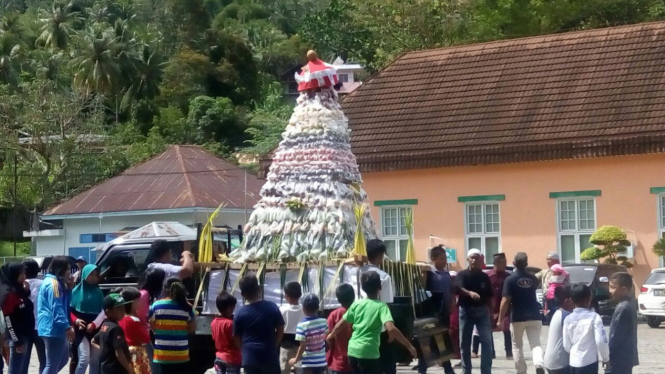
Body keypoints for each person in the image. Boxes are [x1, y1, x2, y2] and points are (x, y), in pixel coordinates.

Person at [328, 272, 417, 374]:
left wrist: (331, 335)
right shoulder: (381, 307)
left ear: (362, 288)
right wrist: (409, 346)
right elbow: (391, 328)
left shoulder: (357, 304)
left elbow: (340, 324)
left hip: (352, 352)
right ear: (380, 288)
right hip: (368, 352)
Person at [497, 252, 545, 374]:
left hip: (518, 316)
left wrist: (500, 318)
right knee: (535, 343)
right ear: (527, 264)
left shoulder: (510, 279)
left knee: (517, 345)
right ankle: (538, 364)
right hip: (534, 314)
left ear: (514, 264)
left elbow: (505, 300)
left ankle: (521, 370)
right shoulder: (533, 278)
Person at [233, 275, 285, 374]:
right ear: (259, 289)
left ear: (242, 294)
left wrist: (244, 350)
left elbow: (236, 337)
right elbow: (280, 328)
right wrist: (275, 345)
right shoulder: (272, 307)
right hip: (269, 356)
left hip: (250, 358)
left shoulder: (239, 313)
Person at [360, 239, 395, 374]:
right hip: (378, 329)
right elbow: (386, 304)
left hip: (359, 326)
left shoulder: (355, 272)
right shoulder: (384, 277)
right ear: (380, 255)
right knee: (386, 365)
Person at [456, 249, 493, 374]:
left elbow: (489, 296)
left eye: (477, 258)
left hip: (482, 312)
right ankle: (466, 370)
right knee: (464, 343)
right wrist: (469, 293)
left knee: (487, 342)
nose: (474, 260)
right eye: (472, 257)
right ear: (467, 259)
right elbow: (459, 288)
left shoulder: (484, 277)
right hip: (466, 311)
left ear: (481, 260)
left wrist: (492, 313)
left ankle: (486, 371)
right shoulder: (462, 275)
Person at [149, 279, 196, 374]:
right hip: (181, 353)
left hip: (162, 354)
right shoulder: (187, 307)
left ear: (165, 289)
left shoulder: (156, 305)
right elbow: (192, 329)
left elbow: (152, 326)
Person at [38, 256, 76, 374]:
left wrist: (69, 290)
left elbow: (64, 303)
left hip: (54, 327)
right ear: (60, 269)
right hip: (53, 328)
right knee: (52, 365)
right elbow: (56, 307)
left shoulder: (56, 283)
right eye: (68, 269)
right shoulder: (54, 284)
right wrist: (67, 326)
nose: (70, 273)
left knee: (63, 359)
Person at [421, 246, 455, 374]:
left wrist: (452, 302)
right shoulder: (429, 274)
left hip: (444, 312)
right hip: (432, 312)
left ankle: (447, 367)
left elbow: (450, 291)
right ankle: (423, 368)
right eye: (441, 258)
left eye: (445, 258)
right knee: (428, 342)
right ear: (433, 259)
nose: (445, 260)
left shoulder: (446, 274)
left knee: (443, 340)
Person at [563, 283, 609, 374]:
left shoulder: (568, 319)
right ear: (590, 298)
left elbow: (566, 345)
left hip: (574, 362)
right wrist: (606, 358)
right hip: (589, 362)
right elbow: (600, 341)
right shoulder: (594, 317)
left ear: (571, 300)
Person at [70, 264, 105, 374]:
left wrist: (94, 324)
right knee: (84, 359)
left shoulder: (99, 293)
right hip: (80, 328)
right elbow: (69, 310)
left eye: (96, 275)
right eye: (91, 274)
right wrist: (76, 320)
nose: (94, 277)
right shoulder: (75, 292)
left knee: (95, 360)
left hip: (95, 328)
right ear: (84, 275)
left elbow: (103, 311)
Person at [2, 262, 35, 374]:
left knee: (22, 370)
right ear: (14, 275)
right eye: (22, 274)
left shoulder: (19, 290)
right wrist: (17, 341)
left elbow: (24, 308)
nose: (24, 276)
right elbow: (8, 320)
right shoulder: (8, 294)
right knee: (15, 370)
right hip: (18, 338)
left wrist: (26, 292)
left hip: (26, 336)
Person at [91, 294, 133, 374]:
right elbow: (119, 354)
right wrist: (129, 369)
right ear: (108, 312)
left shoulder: (104, 325)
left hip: (105, 369)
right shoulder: (115, 329)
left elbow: (93, 341)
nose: (123, 311)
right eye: (119, 308)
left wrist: (106, 350)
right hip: (116, 369)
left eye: (123, 307)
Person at [606, 273, 638, 374]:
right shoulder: (630, 304)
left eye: (613, 287)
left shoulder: (623, 308)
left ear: (623, 289)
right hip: (626, 358)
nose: (610, 291)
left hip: (618, 360)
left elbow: (615, 337)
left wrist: (607, 356)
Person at [288, 294, 328, 374]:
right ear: (317, 307)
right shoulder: (324, 322)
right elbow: (326, 338)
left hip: (308, 363)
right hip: (321, 361)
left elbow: (302, 346)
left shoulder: (301, 325)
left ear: (303, 309)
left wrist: (296, 359)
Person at [138, 268, 166, 374]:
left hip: (144, 332)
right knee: (153, 366)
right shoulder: (144, 295)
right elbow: (141, 317)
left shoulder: (147, 295)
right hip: (141, 333)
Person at [119, 287, 151, 374]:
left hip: (125, 350)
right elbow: (146, 338)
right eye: (138, 300)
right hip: (136, 352)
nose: (140, 302)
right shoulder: (133, 320)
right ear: (132, 303)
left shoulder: (121, 317)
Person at [544, 285, 574, 374]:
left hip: (551, 361)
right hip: (560, 363)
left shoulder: (558, 313)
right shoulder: (567, 316)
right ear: (568, 301)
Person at [487, 253, 511, 360]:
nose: (505, 265)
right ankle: (491, 353)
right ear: (496, 263)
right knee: (489, 332)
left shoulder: (508, 276)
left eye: (505, 262)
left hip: (505, 308)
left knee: (507, 330)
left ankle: (509, 352)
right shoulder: (488, 276)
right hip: (491, 308)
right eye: (502, 263)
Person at [327, 284, 354, 374]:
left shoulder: (334, 315)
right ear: (354, 297)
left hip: (338, 362)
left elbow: (328, 338)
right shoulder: (360, 312)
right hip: (358, 360)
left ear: (338, 300)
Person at [24, 258, 45, 374]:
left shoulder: (20, 285)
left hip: (25, 327)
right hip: (40, 325)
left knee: (23, 360)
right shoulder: (43, 284)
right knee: (44, 360)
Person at [211, 292, 241, 374]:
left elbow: (214, 338)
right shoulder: (230, 324)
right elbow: (235, 341)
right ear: (228, 308)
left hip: (219, 357)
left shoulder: (214, 322)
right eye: (232, 307)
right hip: (232, 359)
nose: (233, 309)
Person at [536, 253, 569, 323]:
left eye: (550, 260)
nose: (547, 262)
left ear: (556, 261)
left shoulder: (563, 272)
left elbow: (568, 284)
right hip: (547, 298)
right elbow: (534, 277)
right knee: (549, 317)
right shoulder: (544, 272)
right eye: (547, 259)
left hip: (559, 298)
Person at [280, 282, 304, 374]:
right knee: (300, 369)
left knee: (284, 370)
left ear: (286, 296)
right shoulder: (304, 309)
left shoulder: (282, 310)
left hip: (286, 343)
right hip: (301, 344)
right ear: (300, 295)